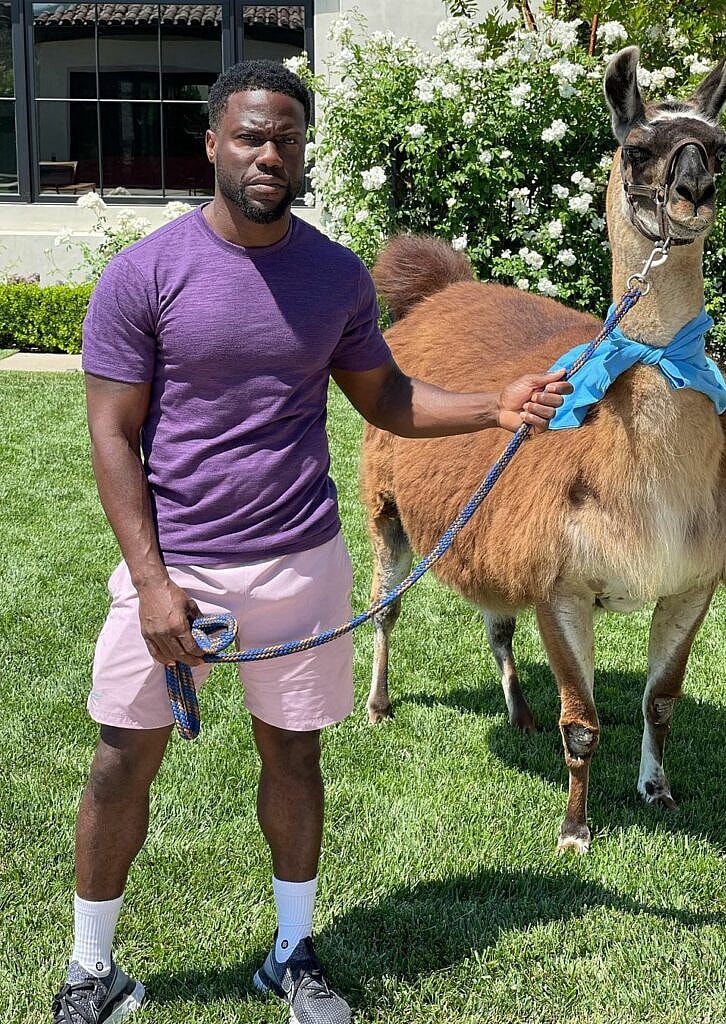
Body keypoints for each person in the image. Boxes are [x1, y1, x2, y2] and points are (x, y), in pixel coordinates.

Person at [51, 60, 571, 1024]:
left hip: (299, 557)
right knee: (122, 759)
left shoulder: (333, 274)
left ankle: (292, 955)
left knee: (294, 762)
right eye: (249, 135)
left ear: (302, 150)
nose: (267, 153)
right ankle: (94, 969)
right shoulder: (146, 274)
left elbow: (387, 398)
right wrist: (153, 584)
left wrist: (493, 407)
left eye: (285, 137)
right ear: (211, 143)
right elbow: (111, 435)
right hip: (178, 569)